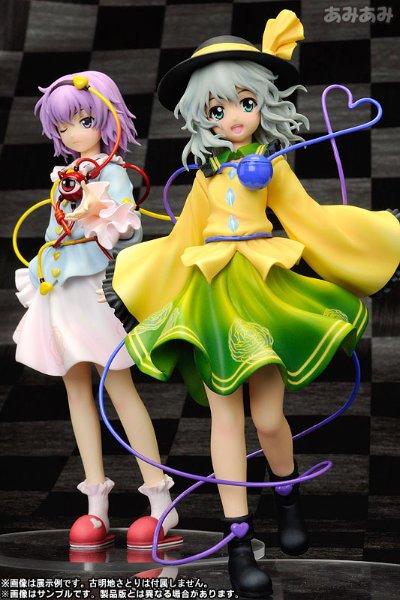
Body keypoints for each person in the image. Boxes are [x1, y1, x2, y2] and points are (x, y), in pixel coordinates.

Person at [103, 10, 400, 597]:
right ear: (201, 117)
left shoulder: (273, 167)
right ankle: (239, 538)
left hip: (263, 291)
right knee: (224, 417)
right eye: (216, 110)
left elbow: (312, 222)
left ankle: (286, 495)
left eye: (244, 103)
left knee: (266, 418)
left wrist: (377, 243)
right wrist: (131, 287)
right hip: (214, 299)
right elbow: (180, 242)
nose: (233, 118)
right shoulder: (205, 177)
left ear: (263, 103)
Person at [13, 71, 181, 552]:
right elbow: (54, 234)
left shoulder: (114, 172)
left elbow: (128, 229)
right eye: (62, 126)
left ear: (106, 119)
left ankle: (161, 501)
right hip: (61, 289)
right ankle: (96, 506)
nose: (72, 134)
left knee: (120, 387)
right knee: (76, 389)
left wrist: (102, 218)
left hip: (96, 290)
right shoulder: (65, 176)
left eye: (82, 121)